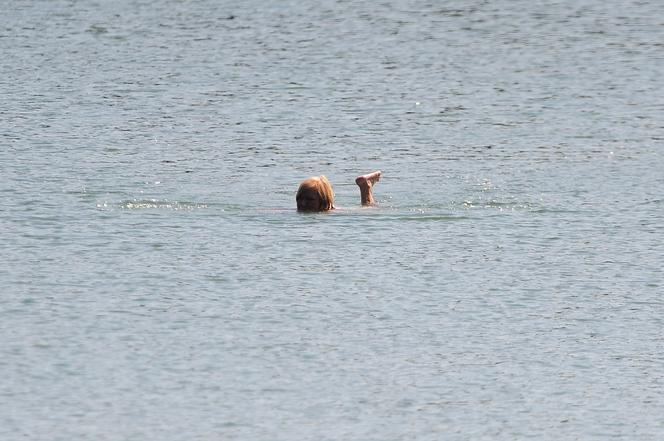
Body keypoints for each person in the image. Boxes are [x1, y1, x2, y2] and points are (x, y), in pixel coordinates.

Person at [296, 170, 381, 212]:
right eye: (299, 198)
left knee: (367, 207)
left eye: (310, 200)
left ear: (324, 200)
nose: (302, 203)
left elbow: (368, 211)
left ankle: (365, 186)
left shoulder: (336, 212)